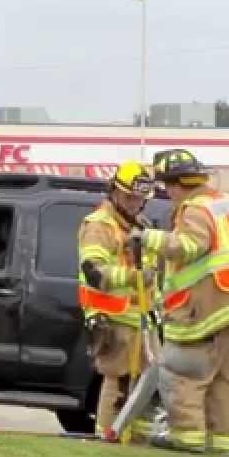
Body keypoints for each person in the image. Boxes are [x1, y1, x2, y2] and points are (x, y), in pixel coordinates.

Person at [133, 149, 229, 455]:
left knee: (183, 371)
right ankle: (225, 443)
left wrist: (149, 238)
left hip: (210, 309)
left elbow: (190, 247)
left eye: (167, 186)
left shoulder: (195, 209)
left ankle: (187, 436)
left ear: (177, 183)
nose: (167, 194)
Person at [77, 160, 155, 442]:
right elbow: (93, 271)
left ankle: (137, 443)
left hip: (141, 320)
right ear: (114, 192)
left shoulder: (139, 226)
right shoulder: (100, 225)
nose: (134, 203)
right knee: (117, 384)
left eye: (139, 199)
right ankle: (108, 441)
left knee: (145, 387)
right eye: (129, 197)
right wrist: (135, 277)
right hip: (114, 320)